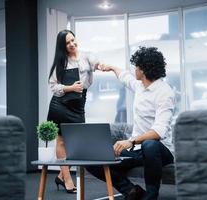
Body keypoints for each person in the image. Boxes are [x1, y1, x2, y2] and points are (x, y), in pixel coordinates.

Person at [87, 46, 175, 200]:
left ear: (143, 70)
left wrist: (130, 141)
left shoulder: (164, 92)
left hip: (161, 150)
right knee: (93, 158)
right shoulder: (140, 86)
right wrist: (111, 68)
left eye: (136, 66)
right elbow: (124, 76)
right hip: (138, 150)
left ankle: (152, 195)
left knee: (150, 144)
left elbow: (159, 131)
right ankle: (131, 191)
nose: (135, 69)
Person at [47, 30, 104, 194]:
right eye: (67, 43)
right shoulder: (60, 62)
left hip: (78, 105)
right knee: (61, 142)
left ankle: (60, 175)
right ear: (62, 46)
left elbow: (96, 63)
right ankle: (68, 180)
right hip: (60, 105)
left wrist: (101, 66)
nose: (72, 44)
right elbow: (53, 86)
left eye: (73, 40)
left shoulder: (86, 56)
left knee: (77, 144)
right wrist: (70, 88)